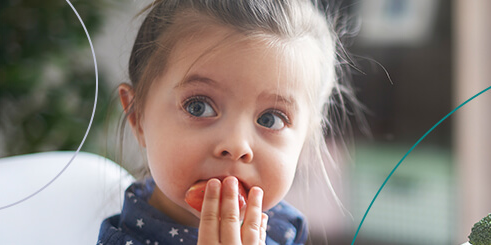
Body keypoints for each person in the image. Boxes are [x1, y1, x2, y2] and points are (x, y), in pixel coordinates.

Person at [98, 0, 360, 244]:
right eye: (198, 107)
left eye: (270, 119)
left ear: (304, 140)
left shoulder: (283, 227)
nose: (236, 145)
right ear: (137, 116)